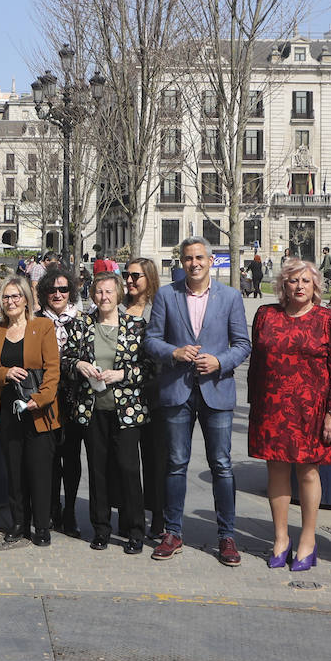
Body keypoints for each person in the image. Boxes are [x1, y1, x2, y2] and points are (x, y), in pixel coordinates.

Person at [143, 237, 251, 566]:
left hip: (216, 390)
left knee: (221, 465)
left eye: (200, 257)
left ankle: (226, 536)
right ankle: (173, 532)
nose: (194, 263)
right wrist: (173, 352)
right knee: (176, 464)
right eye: (188, 258)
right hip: (177, 390)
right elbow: (151, 339)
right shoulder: (166, 295)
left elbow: (243, 344)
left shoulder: (230, 297)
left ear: (211, 260)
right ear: (181, 262)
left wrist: (220, 361)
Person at [248, 259, 331, 571]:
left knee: (308, 472)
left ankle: (308, 539)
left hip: (311, 409)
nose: (299, 286)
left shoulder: (330, 320)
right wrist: (254, 403)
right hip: (272, 407)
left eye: (306, 281)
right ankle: (281, 538)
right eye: (293, 281)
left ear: (315, 286)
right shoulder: (266, 315)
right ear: (283, 285)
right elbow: (256, 363)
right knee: (276, 471)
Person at [64, 272, 154, 554]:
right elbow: (65, 357)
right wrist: (79, 366)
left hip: (127, 411)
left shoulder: (136, 326)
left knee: (128, 469)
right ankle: (101, 529)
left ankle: (135, 530)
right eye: (99, 292)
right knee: (98, 471)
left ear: (118, 295)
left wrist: (123, 374)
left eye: (109, 292)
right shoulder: (82, 324)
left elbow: (150, 367)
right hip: (92, 411)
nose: (104, 297)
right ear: (93, 295)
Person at [0, 276, 62, 546]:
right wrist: (5, 372)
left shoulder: (43, 326)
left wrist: (41, 398)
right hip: (6, 411)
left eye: (15, 296)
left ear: (26, 299)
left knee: (39, 471)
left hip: (38, 411)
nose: (10, 301)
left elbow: (52, 369)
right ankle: (18, 522)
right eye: (6, 297)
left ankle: (41, 525)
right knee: (14, 470)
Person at [38, 269, 84, 539]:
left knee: (71, 457)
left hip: (73, 397)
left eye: (63, 290)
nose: (58, 294)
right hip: (45, 397)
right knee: (49, 458)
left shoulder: (80, 321)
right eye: (52, 290)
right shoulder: (35, 320)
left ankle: (69, 512)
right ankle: (51, 507)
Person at [124, 259, 167, 540]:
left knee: (157, 460)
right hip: (125, 395)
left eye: (135, 276)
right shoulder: (117, 308)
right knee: (127, 461)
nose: (129, 281)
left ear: (149, 278)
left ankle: (160, 517)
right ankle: (130, 515)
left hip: (156, 392)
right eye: (126, 275)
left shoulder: (160, 311)